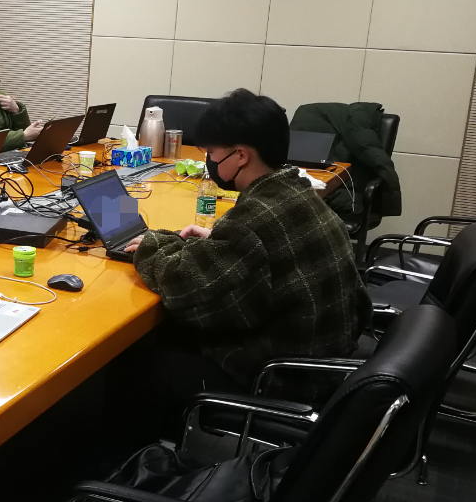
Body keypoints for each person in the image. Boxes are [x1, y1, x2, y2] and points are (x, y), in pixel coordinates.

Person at [117, 89, 371, 440]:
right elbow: (259, 256)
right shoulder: (297, 193)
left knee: (137, 363)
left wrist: (152, 244)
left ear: (240, 155)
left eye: (211, 153)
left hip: (283, 380)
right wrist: (215, 245)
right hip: (325, 362)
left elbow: (186, 287)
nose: (209, 160)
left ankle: (132, 463)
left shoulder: (252, 221)